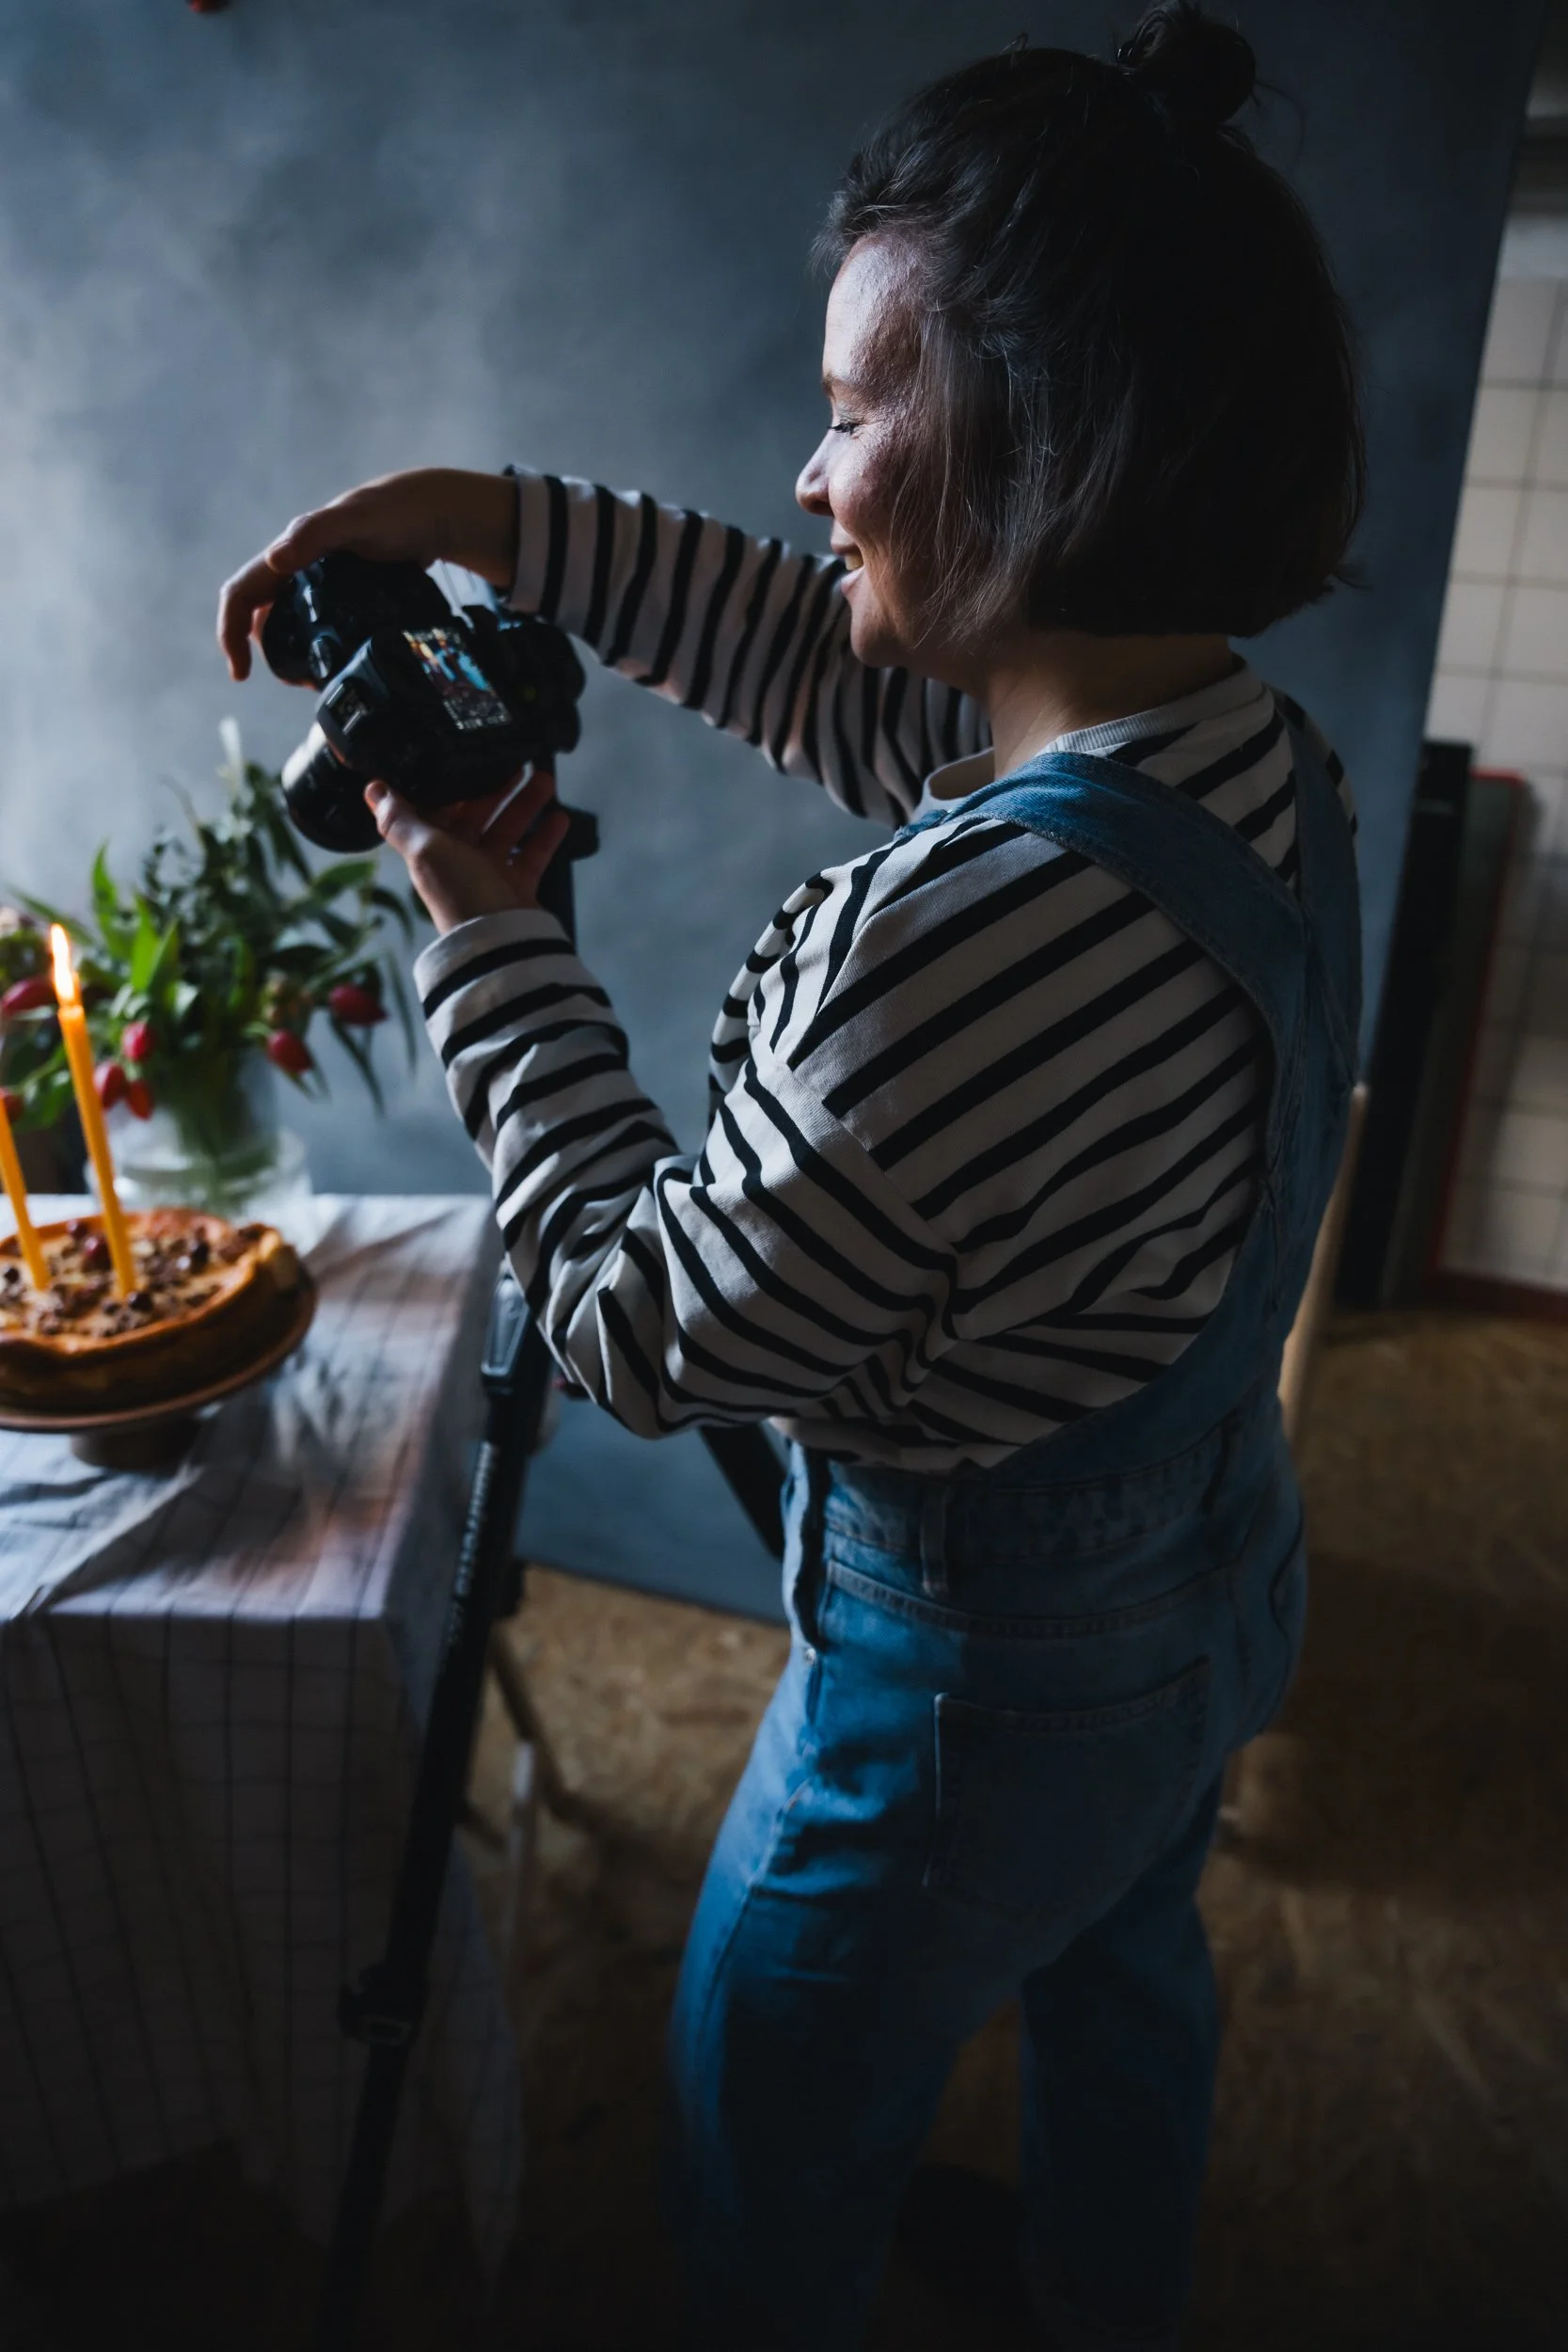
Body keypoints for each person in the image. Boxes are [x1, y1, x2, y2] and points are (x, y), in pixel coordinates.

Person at [217, 8, 1362, 2344]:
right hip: (1207, 1570)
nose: (809, 471)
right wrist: (469, 513)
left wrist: (488, 937)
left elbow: (645, 1321)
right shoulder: (1237, 757)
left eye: (853, 411)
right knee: (1124, 1970)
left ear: (1040, 442)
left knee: (761, 2081)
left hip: (967, 1687)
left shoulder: (932, 948)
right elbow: (806, 652)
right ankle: (1098, 2280)